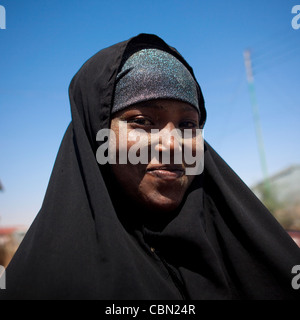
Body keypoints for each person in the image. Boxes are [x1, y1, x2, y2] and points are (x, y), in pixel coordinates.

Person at [0, 33, 299, 300]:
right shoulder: (45, 282)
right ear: (97, 135)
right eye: (142, 122)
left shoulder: (253, 254)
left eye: (187, 124)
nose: (173, 144)